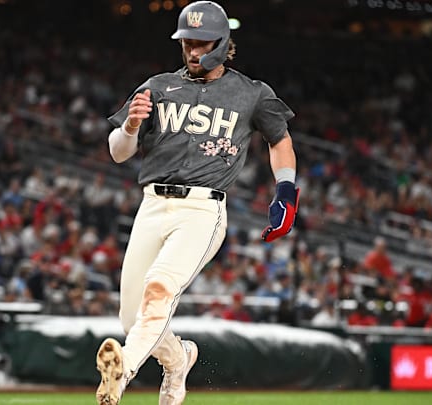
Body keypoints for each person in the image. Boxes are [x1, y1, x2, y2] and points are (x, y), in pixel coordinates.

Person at [95, 2, 299, 404]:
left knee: (160, 288)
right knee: (130, 316)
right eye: (187, 42)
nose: (192, 51)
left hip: (202, 210)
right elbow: (118, 151)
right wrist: (132, 125)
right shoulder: (155, 86)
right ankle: (178, 360)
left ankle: (123, 373)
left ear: (223, 43)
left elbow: (280, 140)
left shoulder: (251, 93)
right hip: (152, 205)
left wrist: (286, 190)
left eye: (201, 43)